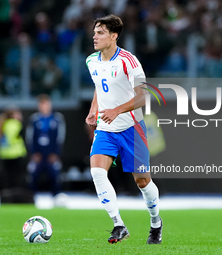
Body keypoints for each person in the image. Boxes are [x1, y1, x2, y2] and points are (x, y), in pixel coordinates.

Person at [85, 14, 162, 244]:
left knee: (142, 182)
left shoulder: (129, 61)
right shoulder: (92, 61)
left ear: (114, 36)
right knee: (97, 172)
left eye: (100, 32)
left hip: (132, 128)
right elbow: (100, 87)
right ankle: (118, 224)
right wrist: (93, 108)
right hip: (106, 128)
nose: (95, 37)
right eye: (94, 32)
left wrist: (117, 110)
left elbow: (142, 96)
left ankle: (156, 222)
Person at [26, 94, 66, 196]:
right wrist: (34, 153)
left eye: (45, 104)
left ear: (50, 105)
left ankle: (56, 197)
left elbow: (60, 138)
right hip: (38, 155)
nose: (43, 106)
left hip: (52, 154)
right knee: (33, 173)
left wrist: (55, 153)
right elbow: (29, 138)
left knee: (55, 174)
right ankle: (31, 197)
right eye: (41, 104)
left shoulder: (57, 119)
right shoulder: (34, 119)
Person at [0, 106, 27, 190]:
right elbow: (13, 139)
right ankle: (16, 195)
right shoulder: (15, 124)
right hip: (16, 154)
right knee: (17, 177)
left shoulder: (2, 124)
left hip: (4, 154)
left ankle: (7, 195)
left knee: (6, 177)